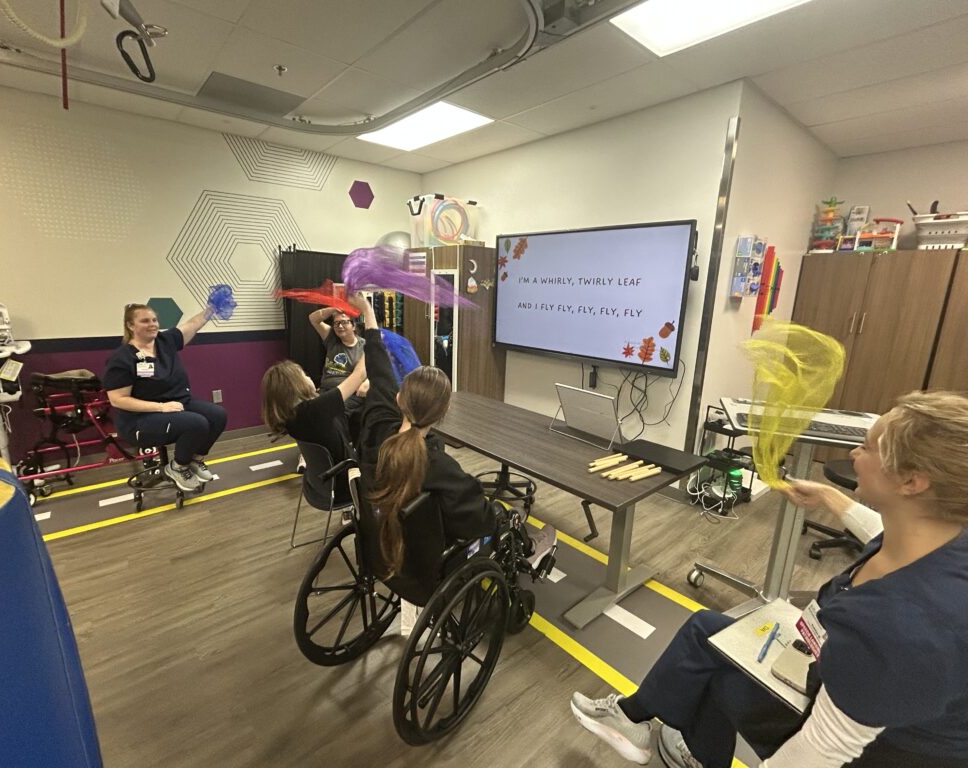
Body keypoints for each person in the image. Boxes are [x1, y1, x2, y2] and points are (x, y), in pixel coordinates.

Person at [571, 390, 968, 768]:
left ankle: (673, 740)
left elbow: (820, 752)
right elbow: (878, 533)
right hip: (870, 698)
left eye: (866, 447)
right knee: (708, 631)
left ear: (912, 482)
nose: (853, 453)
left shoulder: (901, 630)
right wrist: (832, 498)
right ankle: (642, 723)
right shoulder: (939, 536)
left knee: (718, 675)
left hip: (879, 749)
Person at [347, 292, 496, 576]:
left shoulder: (379, 425)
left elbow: (378, 365)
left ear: (399, 397)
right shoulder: (439, 465)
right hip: (423, 568)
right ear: (443, 412)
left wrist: (367, 310)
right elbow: (478, 519)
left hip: (378, 551)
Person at [102, 303, 227, 493]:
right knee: (197, 423)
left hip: (177, 403)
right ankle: (178, 467)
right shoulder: (122, 358)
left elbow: (192, 325)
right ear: (130, 325)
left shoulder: (165, 341)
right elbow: (118, 399)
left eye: (154, 320)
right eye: (145, 321)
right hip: (139, 419)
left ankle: (194, 460)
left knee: (218, 415)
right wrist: (160, 407)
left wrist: (211, 309)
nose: (152, 324)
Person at [260, 356, 366, 465]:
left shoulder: (292, 416)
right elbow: (359, 375)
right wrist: (369, 348)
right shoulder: (316, 409)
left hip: (322, 477)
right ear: (296, 384)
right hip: (345, 474)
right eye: (304, 375)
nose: (308, 377)